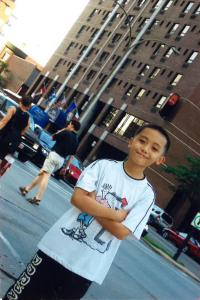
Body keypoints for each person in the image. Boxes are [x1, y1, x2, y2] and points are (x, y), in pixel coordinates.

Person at [3, 124, 171, 300]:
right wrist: (116, 215)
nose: (145, 149)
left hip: (86, 269)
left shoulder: (146, 195)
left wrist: (92, 203)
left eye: (154, 148)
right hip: (55, 250)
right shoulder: (102, 166)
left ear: (160, 159)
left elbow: (121, 232)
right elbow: (78, 199)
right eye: (142, 141)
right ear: (131, 142)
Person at [19, 119, 80, 205]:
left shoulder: (66, 132)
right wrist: (66, 167)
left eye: (69, 124)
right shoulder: (76, 140)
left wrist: (62, 130)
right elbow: (72, 156)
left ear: (72, 125)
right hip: (61, 161)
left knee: (46, 175)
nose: (67, 125)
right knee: (42, 174)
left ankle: (38, 197)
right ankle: (26, 189)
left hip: (54, 155)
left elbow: (52, 138)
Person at [0, 96, 32, 167]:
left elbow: (4, 121)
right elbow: (23, 132)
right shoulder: (28, 118)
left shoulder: (13, 109)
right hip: (14, 140)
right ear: (29, 105)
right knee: (2, 157)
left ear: (21, 101)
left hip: (5, 135)